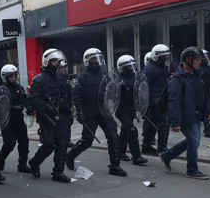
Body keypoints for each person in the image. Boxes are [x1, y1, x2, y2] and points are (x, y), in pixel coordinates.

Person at [66, 48, 127, 177]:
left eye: (98, 58)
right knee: (87, 140)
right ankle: (70, 156)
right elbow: (77, 96)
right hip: (90, 112)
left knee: (113, 136)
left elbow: (111, 91)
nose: (96, 61)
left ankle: (115, 166)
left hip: (104, 111)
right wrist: (79, 112)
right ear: (87, 61)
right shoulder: (82, 77)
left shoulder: (104, 74)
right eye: (93, 59)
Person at [159, 47, 210, 179]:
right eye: (197, 60)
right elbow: (173, 102)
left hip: (195, 115)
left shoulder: (196, 77)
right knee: (194, 141)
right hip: (185, 116)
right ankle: (192, 170)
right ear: (188, 60)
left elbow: (203, 97)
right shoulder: (177, 80)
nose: (200, 62)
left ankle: (167, 155)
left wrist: (209, 111)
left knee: (193, 140)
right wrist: (175, 122)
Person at [28, 49, 73, 183]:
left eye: (57, 62)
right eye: (54, 61)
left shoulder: (61, 79)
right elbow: (33, 99)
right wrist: (46, 107)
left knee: (62, 144)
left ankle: (58, 172)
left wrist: (68, 113)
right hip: (46, 118)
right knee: (48, 145)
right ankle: (34, 163)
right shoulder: (38, 80)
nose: (56, 64)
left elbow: (66, 98)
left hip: (61, 117)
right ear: (47, 62)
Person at [0, 64, 32, 173]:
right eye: (10, 76)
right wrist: (10, 107)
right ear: (5, 77)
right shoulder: (1, 90)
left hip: (19, 119)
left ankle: (22, 164)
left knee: (24, 141)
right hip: (7, 121)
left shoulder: (19, 88)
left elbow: (25, 99)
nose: (13, 78)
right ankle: (0, 160)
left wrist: (29, 107)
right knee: (9, 143)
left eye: (14, 75)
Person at [115, 55, 148, 166]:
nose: (131, 68)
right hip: (122, 110)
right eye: (128, 66)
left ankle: (120, 152)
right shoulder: (119, 80)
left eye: (132, 66)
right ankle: (136, 157)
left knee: (125, 130)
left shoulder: (135, 78)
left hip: (131, 109)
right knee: (132, 130)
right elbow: (113, 97)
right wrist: (120, 87)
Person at [140, 44, 173, 155]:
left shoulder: (162, 68)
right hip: (153, 101)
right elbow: (141, 86)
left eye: (166, 56)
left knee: (152, 125)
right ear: (155, 56)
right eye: (163, 57)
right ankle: (161, 147)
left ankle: (147, 146)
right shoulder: (149, 69)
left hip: (161, 100)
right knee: (163, 123)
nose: (165, 59)